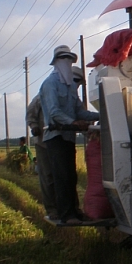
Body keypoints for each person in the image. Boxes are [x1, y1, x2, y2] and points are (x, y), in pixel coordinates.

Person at [39, 46, 99, 225]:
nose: (67, 62)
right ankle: (66, 214)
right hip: (55, 136)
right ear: (57, 62)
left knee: (71, 176)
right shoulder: (50, 84)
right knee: (61, 176)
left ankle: (74, 211)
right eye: (64, 59)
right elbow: (54, 111)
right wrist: (73, 122)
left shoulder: (71, 86)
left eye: (70, 60)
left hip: (69, 137)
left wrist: (103, 114)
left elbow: (80, 111)